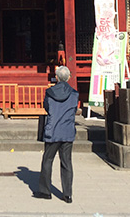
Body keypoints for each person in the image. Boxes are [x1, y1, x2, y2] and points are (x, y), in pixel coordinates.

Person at [33, 65, 79, 203]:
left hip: (52, 130)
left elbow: (46, 107)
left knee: (47, 160)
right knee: (67, 162)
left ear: (57, 77)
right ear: (69, 77)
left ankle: (45, 191)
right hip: (67, 130)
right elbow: (74, 109)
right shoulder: (75, 94)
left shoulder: (50, 92)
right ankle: (67, 194)